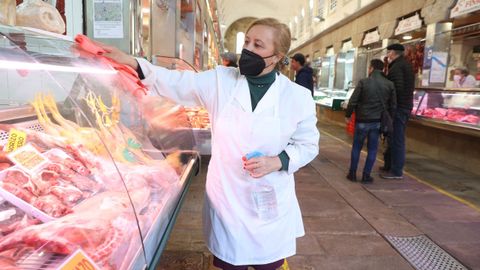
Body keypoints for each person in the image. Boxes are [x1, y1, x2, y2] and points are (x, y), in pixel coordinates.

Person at [99, 18, 319, 270]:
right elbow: (176, 82)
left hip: (269, 198)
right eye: (246, 41)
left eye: (258, 45)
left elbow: (308, 144)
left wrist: (279, 161)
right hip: (228, 198)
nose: (248, 49)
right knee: (228, 262)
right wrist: (135, 64)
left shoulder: (297, 97)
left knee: (268, 264)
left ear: (277, 56)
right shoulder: (221, 81)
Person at [345, 59, 396, 183]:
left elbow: (353, 101)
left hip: (362, 120)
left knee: (357, 147)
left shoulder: (363, 82)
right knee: (373, 149)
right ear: (382, 69)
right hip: (377, 122)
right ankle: (366, 176)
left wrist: (348, 114)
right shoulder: (389, 84)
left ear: (371, 68)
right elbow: (393, 105)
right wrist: (390, 120)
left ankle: (352, 173)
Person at [381, 43, 415, 180]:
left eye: (389, 53)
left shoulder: (397, 67)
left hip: (399, 108)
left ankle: (396, 171)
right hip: (403, 106)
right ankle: (389, 165)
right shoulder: (404, 65)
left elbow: (397, 90)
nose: (388, 55)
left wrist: (392, 108)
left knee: (396, 139)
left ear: (392, 53)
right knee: (392, 137)